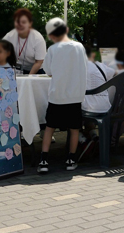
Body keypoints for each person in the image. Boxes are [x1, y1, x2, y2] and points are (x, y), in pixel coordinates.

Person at [38, 18, 88, 173]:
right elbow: (84, 67)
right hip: (75, 95)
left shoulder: (53, 49)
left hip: (57, 95)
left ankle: (44, 160)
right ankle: (71, 159)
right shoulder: (79, 47)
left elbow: (48, 71)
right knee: (74, 129)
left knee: (50, 128)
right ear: (66, 30)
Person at [3, 8, 47, 75]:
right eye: (18, 22)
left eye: (23, 22)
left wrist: (28, 78)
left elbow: (39, 62)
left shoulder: (38, 38)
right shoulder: (10, 35)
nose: (20, 24)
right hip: (18, 70)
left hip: (37, 70)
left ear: (30, 23)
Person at [82, 46, 115, 113]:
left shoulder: (80, 66)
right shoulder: (100, 65)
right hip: (106, 107)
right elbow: (114, 72)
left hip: (89, 108)